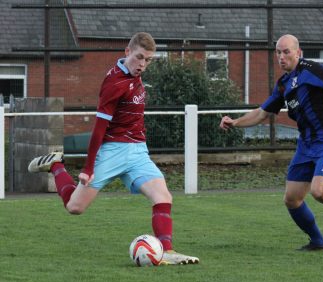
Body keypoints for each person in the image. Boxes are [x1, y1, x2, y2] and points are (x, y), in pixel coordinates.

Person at [28, 32, 199, 265]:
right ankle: (56, 165)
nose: (143, 64)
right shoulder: (114, 83)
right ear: (127, 52)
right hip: (112, 152)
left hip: (138, 151)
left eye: (148, 60)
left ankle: (167, 251)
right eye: (139, 57)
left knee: (163, 196)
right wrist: (88, 168)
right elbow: (99, 128)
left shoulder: (134, 75)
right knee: (74, 207)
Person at [219, 34, 323, 251]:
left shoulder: (309, 68)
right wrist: (235, 122)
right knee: (292, 199)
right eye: (278, 52)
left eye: (286, 51)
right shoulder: (284, 85)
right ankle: (317, 241)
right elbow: (260, 113)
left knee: (319, 192)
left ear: (298, 52)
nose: (281, 56)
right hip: (306, 145)